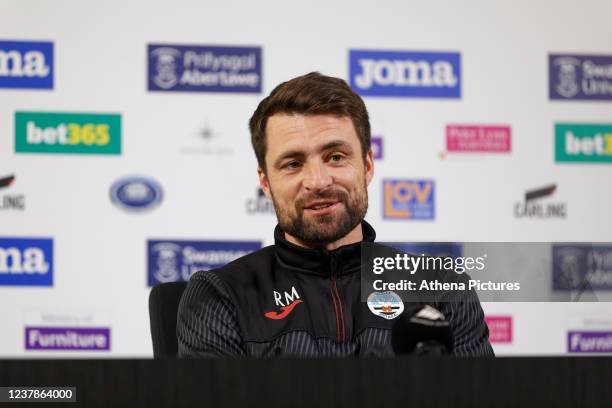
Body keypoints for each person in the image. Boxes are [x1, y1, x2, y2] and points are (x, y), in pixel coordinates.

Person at [177, 72, 494, 357]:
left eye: (336, 156)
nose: (317, 181)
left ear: (367, 165)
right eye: (293, 163)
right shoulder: (222, 295)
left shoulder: (441, 289)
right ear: (265, 182)